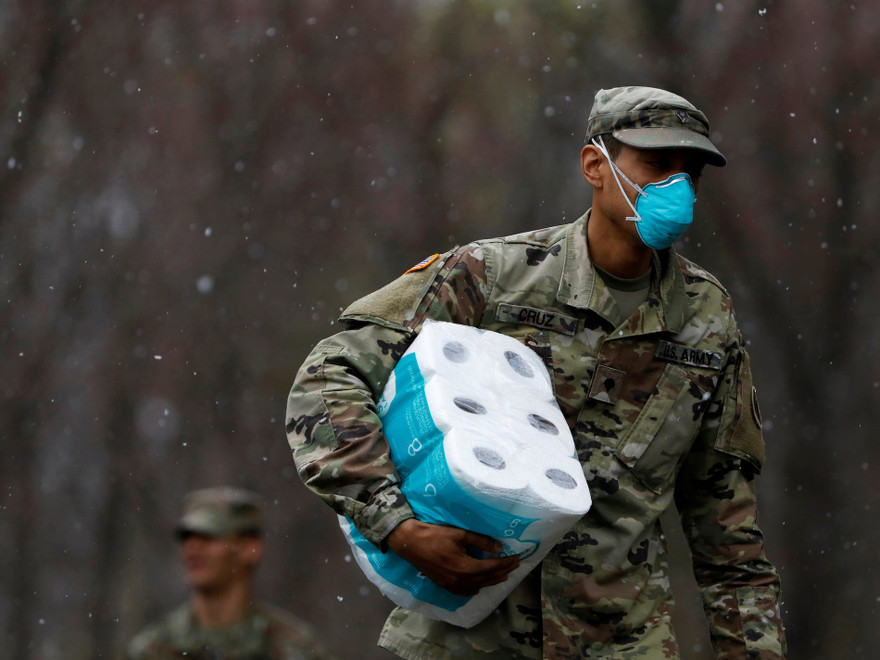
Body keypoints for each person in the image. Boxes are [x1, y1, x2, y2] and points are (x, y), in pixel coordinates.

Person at [285, 86, 786, 659]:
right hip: (468, 636)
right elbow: (330, 373)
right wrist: (395, 524)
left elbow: (727, 532)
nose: (676, 186)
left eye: (689, 171)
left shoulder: (706, 319)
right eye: (655, 164)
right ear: (595, 166)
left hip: (622, 643)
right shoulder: (494, 278)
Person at [127, 487, 335, 660]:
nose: (192, 548)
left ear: (250, 548)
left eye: (208, 536)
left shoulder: (294, 649)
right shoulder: (152, 650)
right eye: (187, 537)